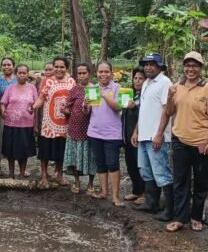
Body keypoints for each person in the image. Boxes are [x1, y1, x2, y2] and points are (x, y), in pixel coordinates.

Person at [164, 52, 208, 233]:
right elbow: (169, 112)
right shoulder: (176, 87)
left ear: (201, 68)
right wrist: (169, 96)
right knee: (180, 181)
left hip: (201, 143)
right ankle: (180, 218)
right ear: (184, 67)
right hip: (180, 141)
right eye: (187, 65)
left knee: (201, 182)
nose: (191, 69)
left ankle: (196, 217)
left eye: (195, 65)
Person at [131, 53, 174, 222]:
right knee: (146, 171)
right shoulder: (147, 83)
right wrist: (136, 131)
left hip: (157, 137)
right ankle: (151, 203)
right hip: (144, 135)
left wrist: (159, 134)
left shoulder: (165, 83)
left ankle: (170, 210)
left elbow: (167, 111)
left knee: (161, 173)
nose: (149, 67)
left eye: (152, 64)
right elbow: (144, 110)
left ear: (160, 66)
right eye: (146, 64)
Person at [32, 56, 75, 189]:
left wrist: (69, 110)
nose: (59, 69)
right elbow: (41, 98)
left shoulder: (71, 82)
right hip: (49, 124)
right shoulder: (48, 82)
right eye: (56, 66)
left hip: (65, 123)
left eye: (62, 67)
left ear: (66, 68)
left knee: (61, 151)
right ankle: (44, 176)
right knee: (45, 151)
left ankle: (58, 175)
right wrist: (33, 107)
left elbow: (74, 101)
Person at [88, 61, 124, 207]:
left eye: (106, 71)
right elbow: (90, 111)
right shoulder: (92, 88)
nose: (103, 74)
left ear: (111, 73)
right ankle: (104, 192)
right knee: (100, 163)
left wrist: (104, 95)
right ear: (96, 73)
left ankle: (115, 196)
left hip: (112, 134)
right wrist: (86, 105)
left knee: (113, 164)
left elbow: (118, 107)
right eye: (100, 72)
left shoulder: (118, 88)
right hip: (94, 132)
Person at [62, 62, 95, 195]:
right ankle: (76, 182)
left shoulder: (93, 89)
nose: (82, 76)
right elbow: (67, 107)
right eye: (79, 73)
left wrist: (86, 107)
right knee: (75, 157)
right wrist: (64, 109)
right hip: (74, 128)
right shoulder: (74, 89)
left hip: (90, 130)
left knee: (90, 157)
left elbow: (95, 109)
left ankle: (91, 184)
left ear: (89, 73)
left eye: (84, 73)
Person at [0, 64, 38, 178]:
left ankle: (22, 173)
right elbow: (3, 103)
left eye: (24, 73)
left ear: (28, 74)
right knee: (10, 151)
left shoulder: (32, 88)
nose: (22, 75)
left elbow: (36, 104)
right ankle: (11, 174)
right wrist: (3, 111)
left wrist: (35, 124)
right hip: (10, 124)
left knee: (23, 151)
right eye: (19, 73)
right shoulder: (10, 88)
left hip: (26, 125)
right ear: (16, 74)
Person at [122, 67, 146, 205]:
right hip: (127, 136)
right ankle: (136, 191)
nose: (137, 81)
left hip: (139, 137)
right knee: (130, 165)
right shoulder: (130, 94)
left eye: (140, 78)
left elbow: (145, 115)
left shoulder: (145, 95)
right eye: (135, 78)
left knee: (140, 166)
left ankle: (144, 193)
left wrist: (133, 108)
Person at [0, 57, 17, 175]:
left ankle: (17, 167)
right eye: (4, 65)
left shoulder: (18, 79)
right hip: (1, 114)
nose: (6, 67)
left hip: (17, 116)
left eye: (9, 64)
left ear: (13, 66)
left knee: (14, 140)